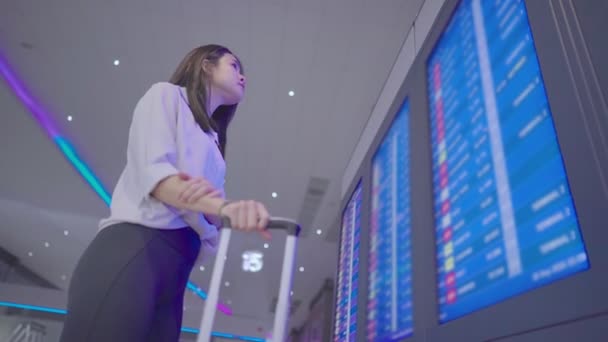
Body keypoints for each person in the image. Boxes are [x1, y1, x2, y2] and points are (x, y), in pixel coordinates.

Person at [59, 44, 272, 342]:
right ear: (206, 65)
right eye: (234, 65)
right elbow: (156, 177)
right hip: (134, 248)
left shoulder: (214, 145)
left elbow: (211, 214)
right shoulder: (165, 96)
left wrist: (225, 209)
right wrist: (219, 206)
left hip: (176, 268)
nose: (243, 77)